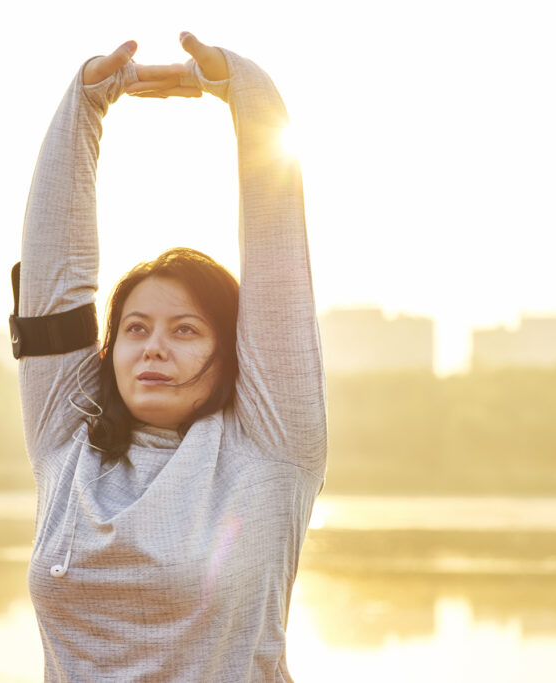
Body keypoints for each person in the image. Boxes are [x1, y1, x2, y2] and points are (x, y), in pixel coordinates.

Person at [16, 31, 326, 681]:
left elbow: (278, 272)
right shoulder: (67, 440)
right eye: (135, 328)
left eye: (186, 330)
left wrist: (246, 93)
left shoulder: (268, 451)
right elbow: (53, 281)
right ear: (111, 348)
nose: (154, 346)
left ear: (232, 347)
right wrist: (85, 105)